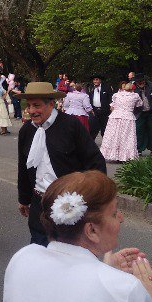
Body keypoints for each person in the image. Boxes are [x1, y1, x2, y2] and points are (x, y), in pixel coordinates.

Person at [2, 171, 152, 302]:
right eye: (114, 213)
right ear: (91, 231)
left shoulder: (23, 259)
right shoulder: (124, 290)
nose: (121, 218)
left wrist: (104, 270)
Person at [17, 82, 106, 246]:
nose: (31, 111)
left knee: (69, 253)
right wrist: (23, 198)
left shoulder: (71, 125)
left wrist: (95, 198)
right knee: (39, 250)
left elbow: (95, 161)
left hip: (69, 204)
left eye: (36, 105)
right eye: (28, 106)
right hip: (39, 202)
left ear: (51, 104)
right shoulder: (26, 131)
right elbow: (23, 167)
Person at [100, 81, 144, 162]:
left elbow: (112, 106)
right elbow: (139, 104)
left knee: (114, 136)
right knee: (126, 137)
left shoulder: (116, 95)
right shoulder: (135, 95)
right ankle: (124, 156)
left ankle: (113, 154)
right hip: (127, 117)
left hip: (115, 117)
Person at [134, 74, 152, 154]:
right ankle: (139, 149)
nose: (140, 83)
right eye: (138, 82)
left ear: (144, 80)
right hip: (139, 112)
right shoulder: (133, 87)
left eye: (142, 81)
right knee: (138, 130)